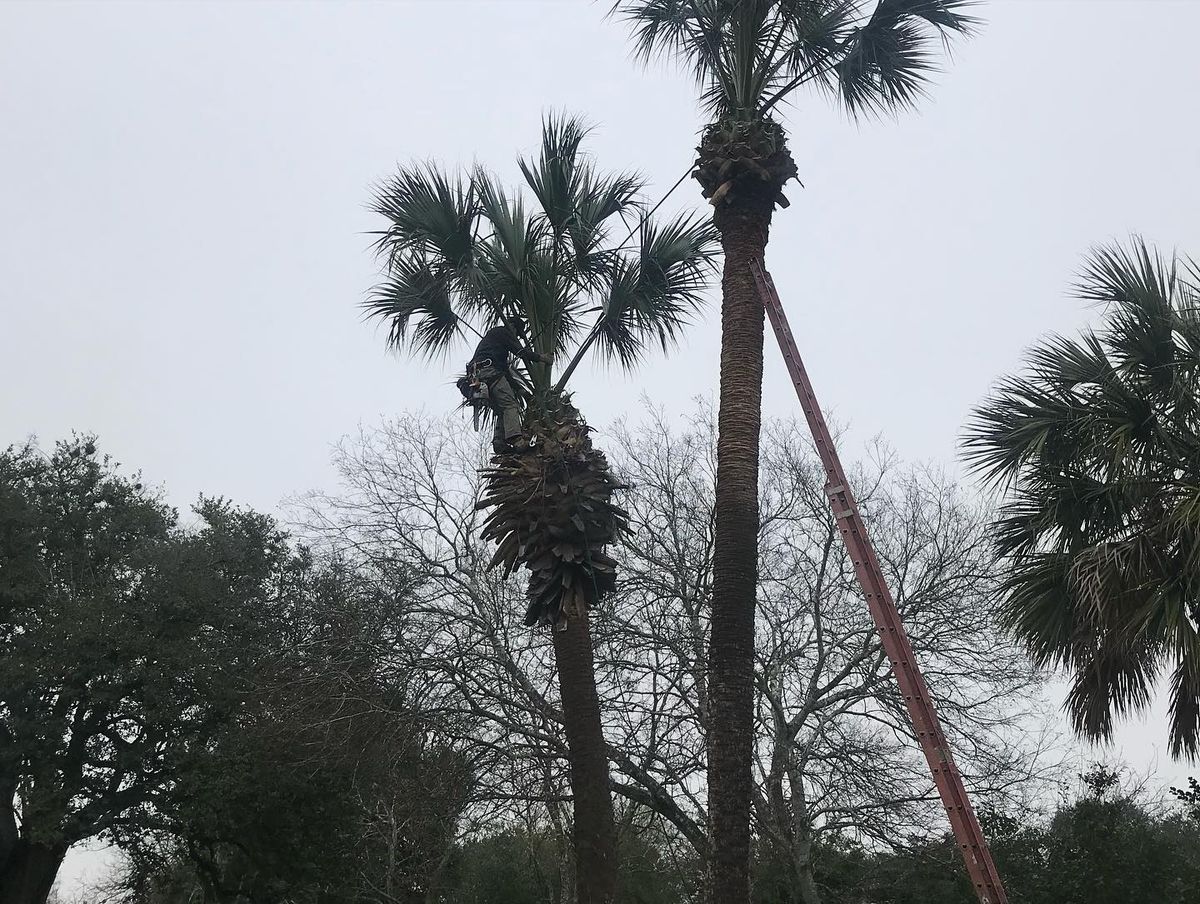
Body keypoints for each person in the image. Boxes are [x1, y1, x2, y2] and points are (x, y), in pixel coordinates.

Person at [469, 322, 551, 453]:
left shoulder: (492, 342)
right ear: (513, 326)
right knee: (510, 405)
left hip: (478, 375)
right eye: (517, 334)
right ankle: (516, 440)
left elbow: (505, 373)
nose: (516, 337)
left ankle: (499, 443)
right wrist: (541, 358)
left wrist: (521, 391)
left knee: (502, 409)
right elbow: (521, 352)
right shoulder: (503, 331)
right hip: (490, 372)